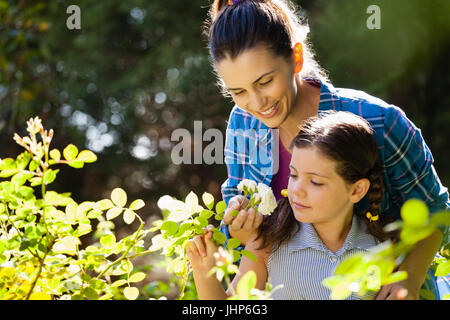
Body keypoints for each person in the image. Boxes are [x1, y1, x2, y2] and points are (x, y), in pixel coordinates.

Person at [202, 0, 449, 299]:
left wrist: (409, 278)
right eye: (238, 92)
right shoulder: (242, 125)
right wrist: (242, 226)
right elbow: (248, 241)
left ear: (295, 58)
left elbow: (435, 211)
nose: (257, 103)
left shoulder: (380, 122)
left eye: (265, 81)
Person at [187, 111, 401, 300]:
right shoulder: (268, 243)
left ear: (356, 190)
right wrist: (203, 271)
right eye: (294, 174)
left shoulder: (383, 247)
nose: (296, 190)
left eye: (315, 181)